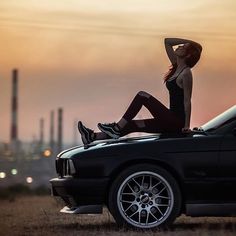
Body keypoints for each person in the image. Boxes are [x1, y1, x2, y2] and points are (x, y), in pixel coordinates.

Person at [78, 38, 202, 146]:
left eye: (183, 47)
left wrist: (186, 126)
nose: (179, 46)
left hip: (176, 122)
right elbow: (168, 42)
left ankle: (117, 128)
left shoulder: (186, 73)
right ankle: (92, 137)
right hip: (168, 120)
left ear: (188, 55)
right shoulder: (176, 67)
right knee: (132, 125)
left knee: (142, 96)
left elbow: (187, 101)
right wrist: (189, 42)